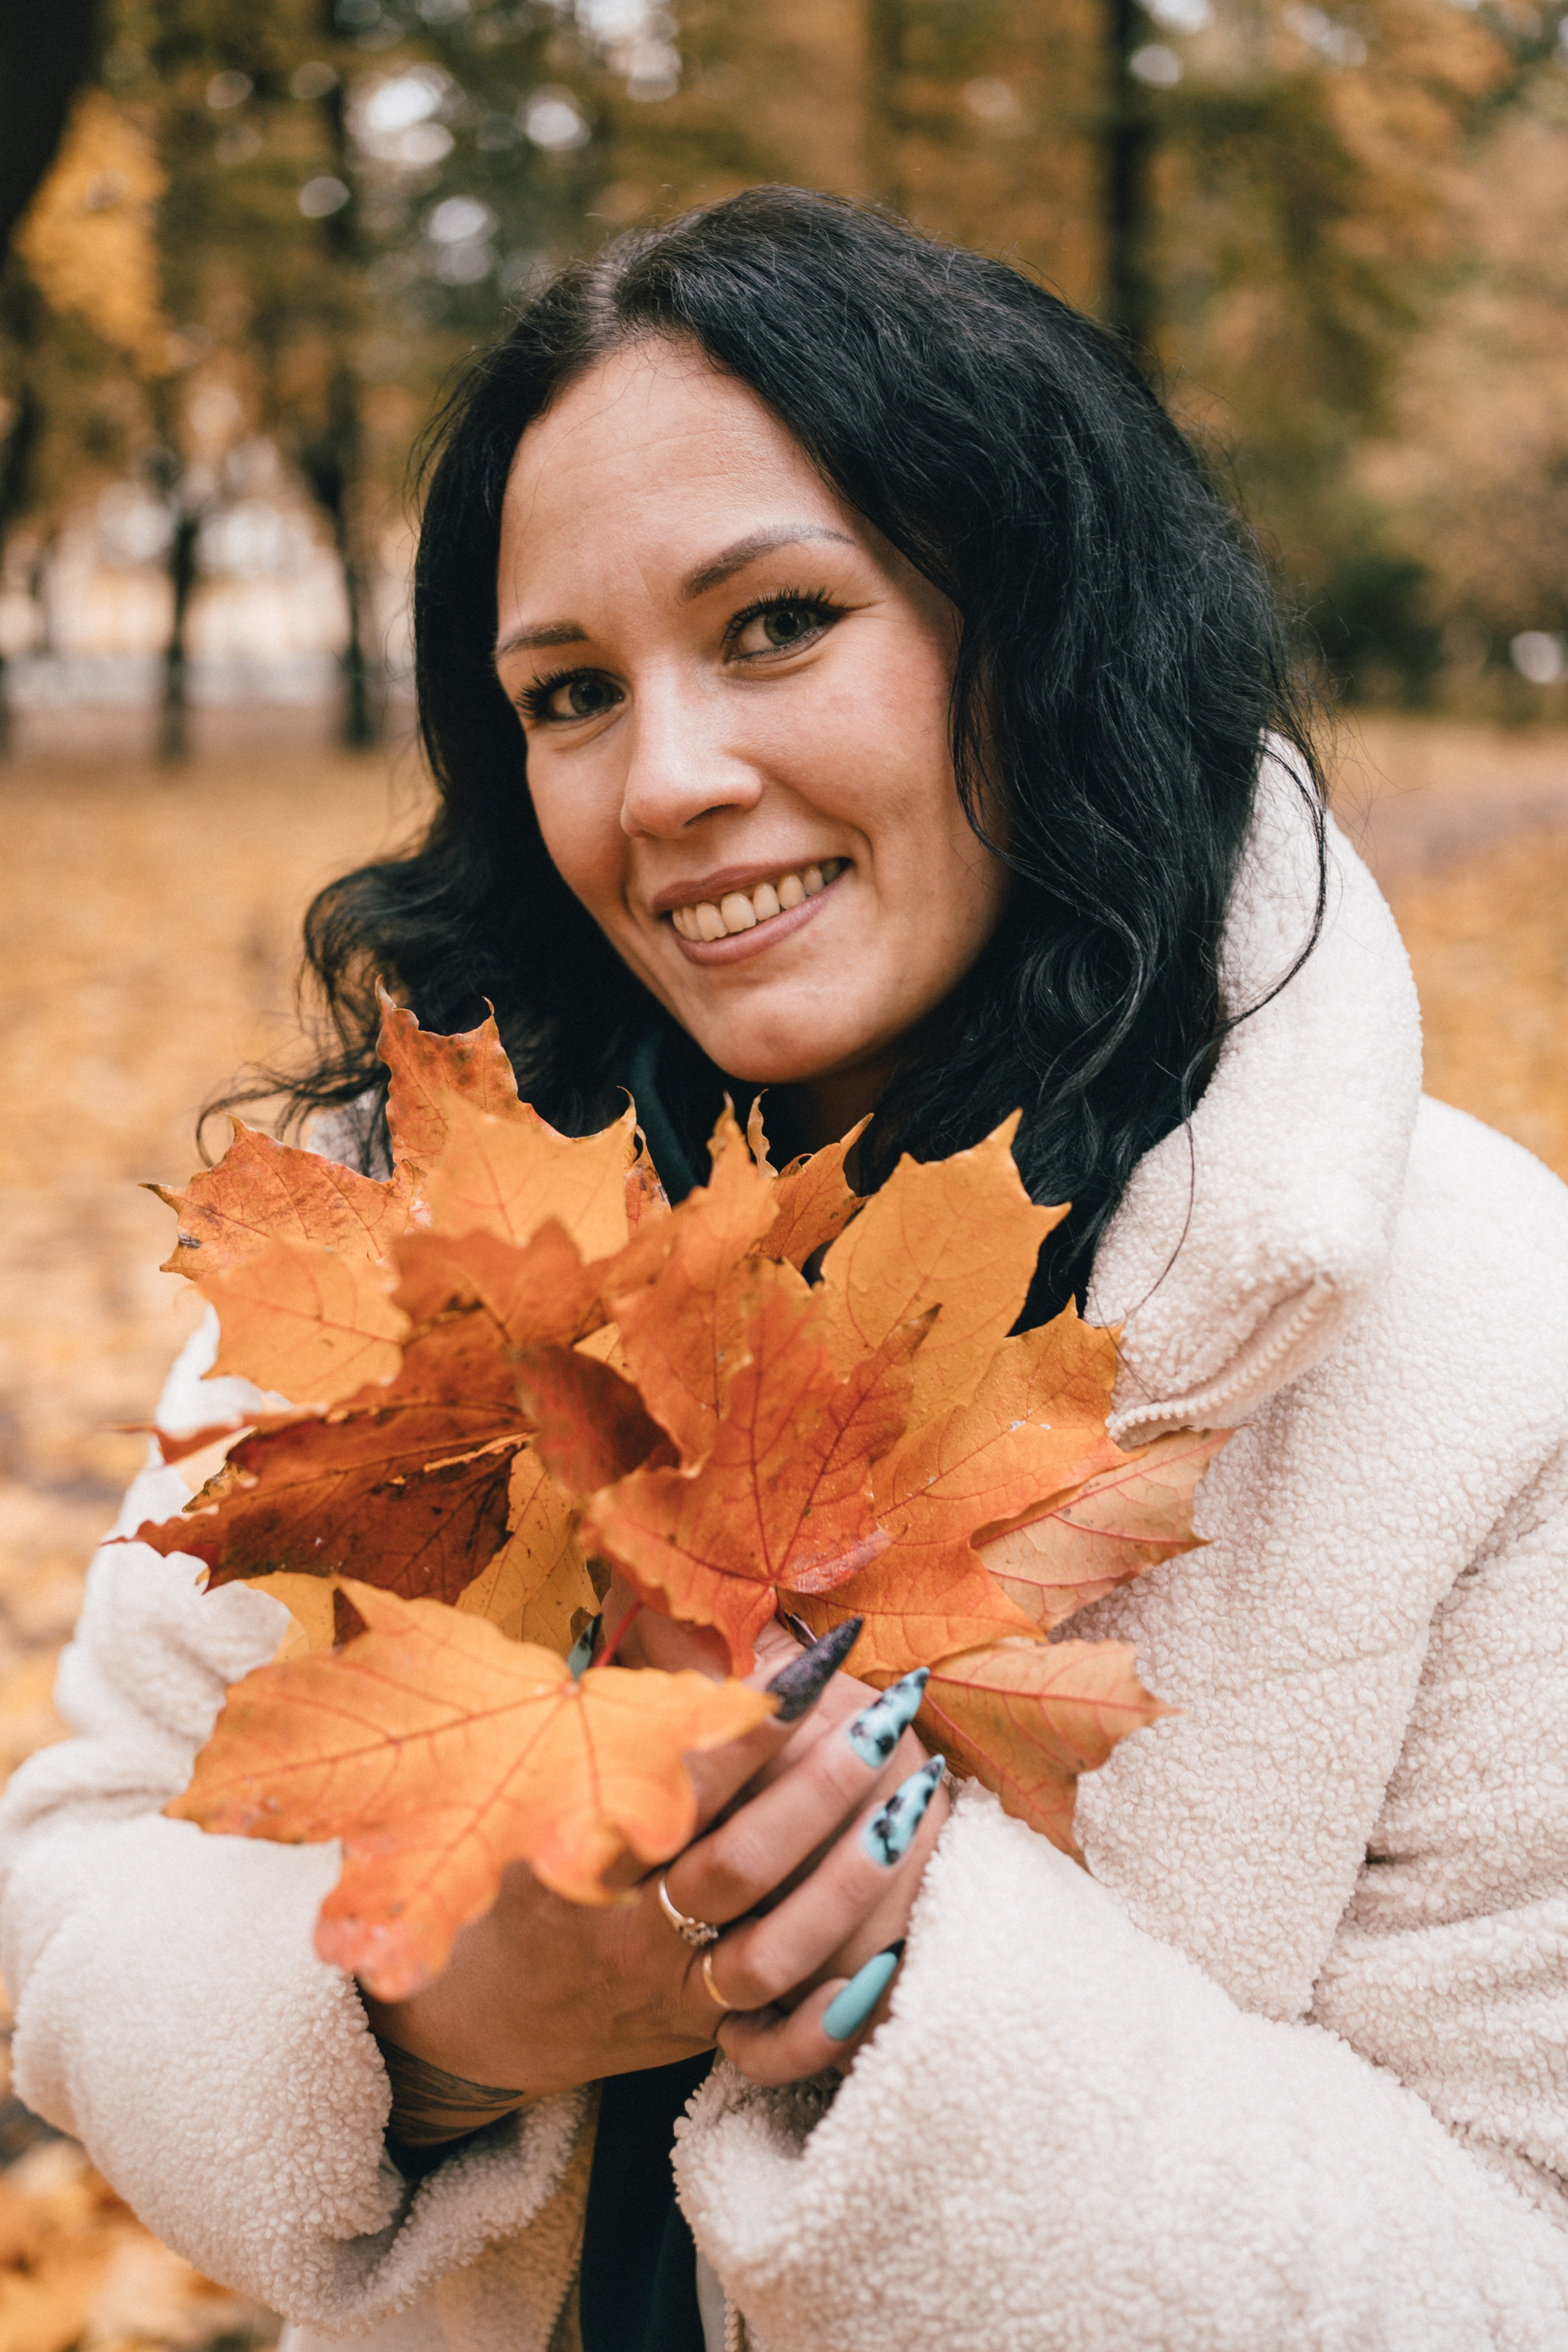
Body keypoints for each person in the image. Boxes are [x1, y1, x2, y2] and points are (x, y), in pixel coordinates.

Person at [2, 184, 1567, 2352]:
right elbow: (79, 1867)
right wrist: (431, 2021)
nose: (670, 782)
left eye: (775, 626)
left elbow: (1519, 2265)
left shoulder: (1480, 1346)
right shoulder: (419, 1232)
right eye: (566, 693)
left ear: (1032, 619)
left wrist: (907, 1983)